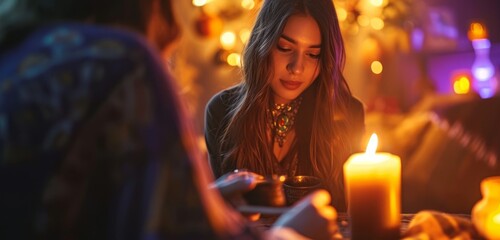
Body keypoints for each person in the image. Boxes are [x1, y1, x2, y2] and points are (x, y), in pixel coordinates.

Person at [0, 0, 338, 239]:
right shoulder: (124, 63)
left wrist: (203, 198)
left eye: (313, 54)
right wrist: (292, 234)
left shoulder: (17, 55)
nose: (174, 27)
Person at [205, 0, 366, 211]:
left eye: (312, 54)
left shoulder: (347, 114)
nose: (297, 67)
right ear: (263, 43)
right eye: (285, 47)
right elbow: (219, 213)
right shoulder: (222, 111)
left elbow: (354, 214)